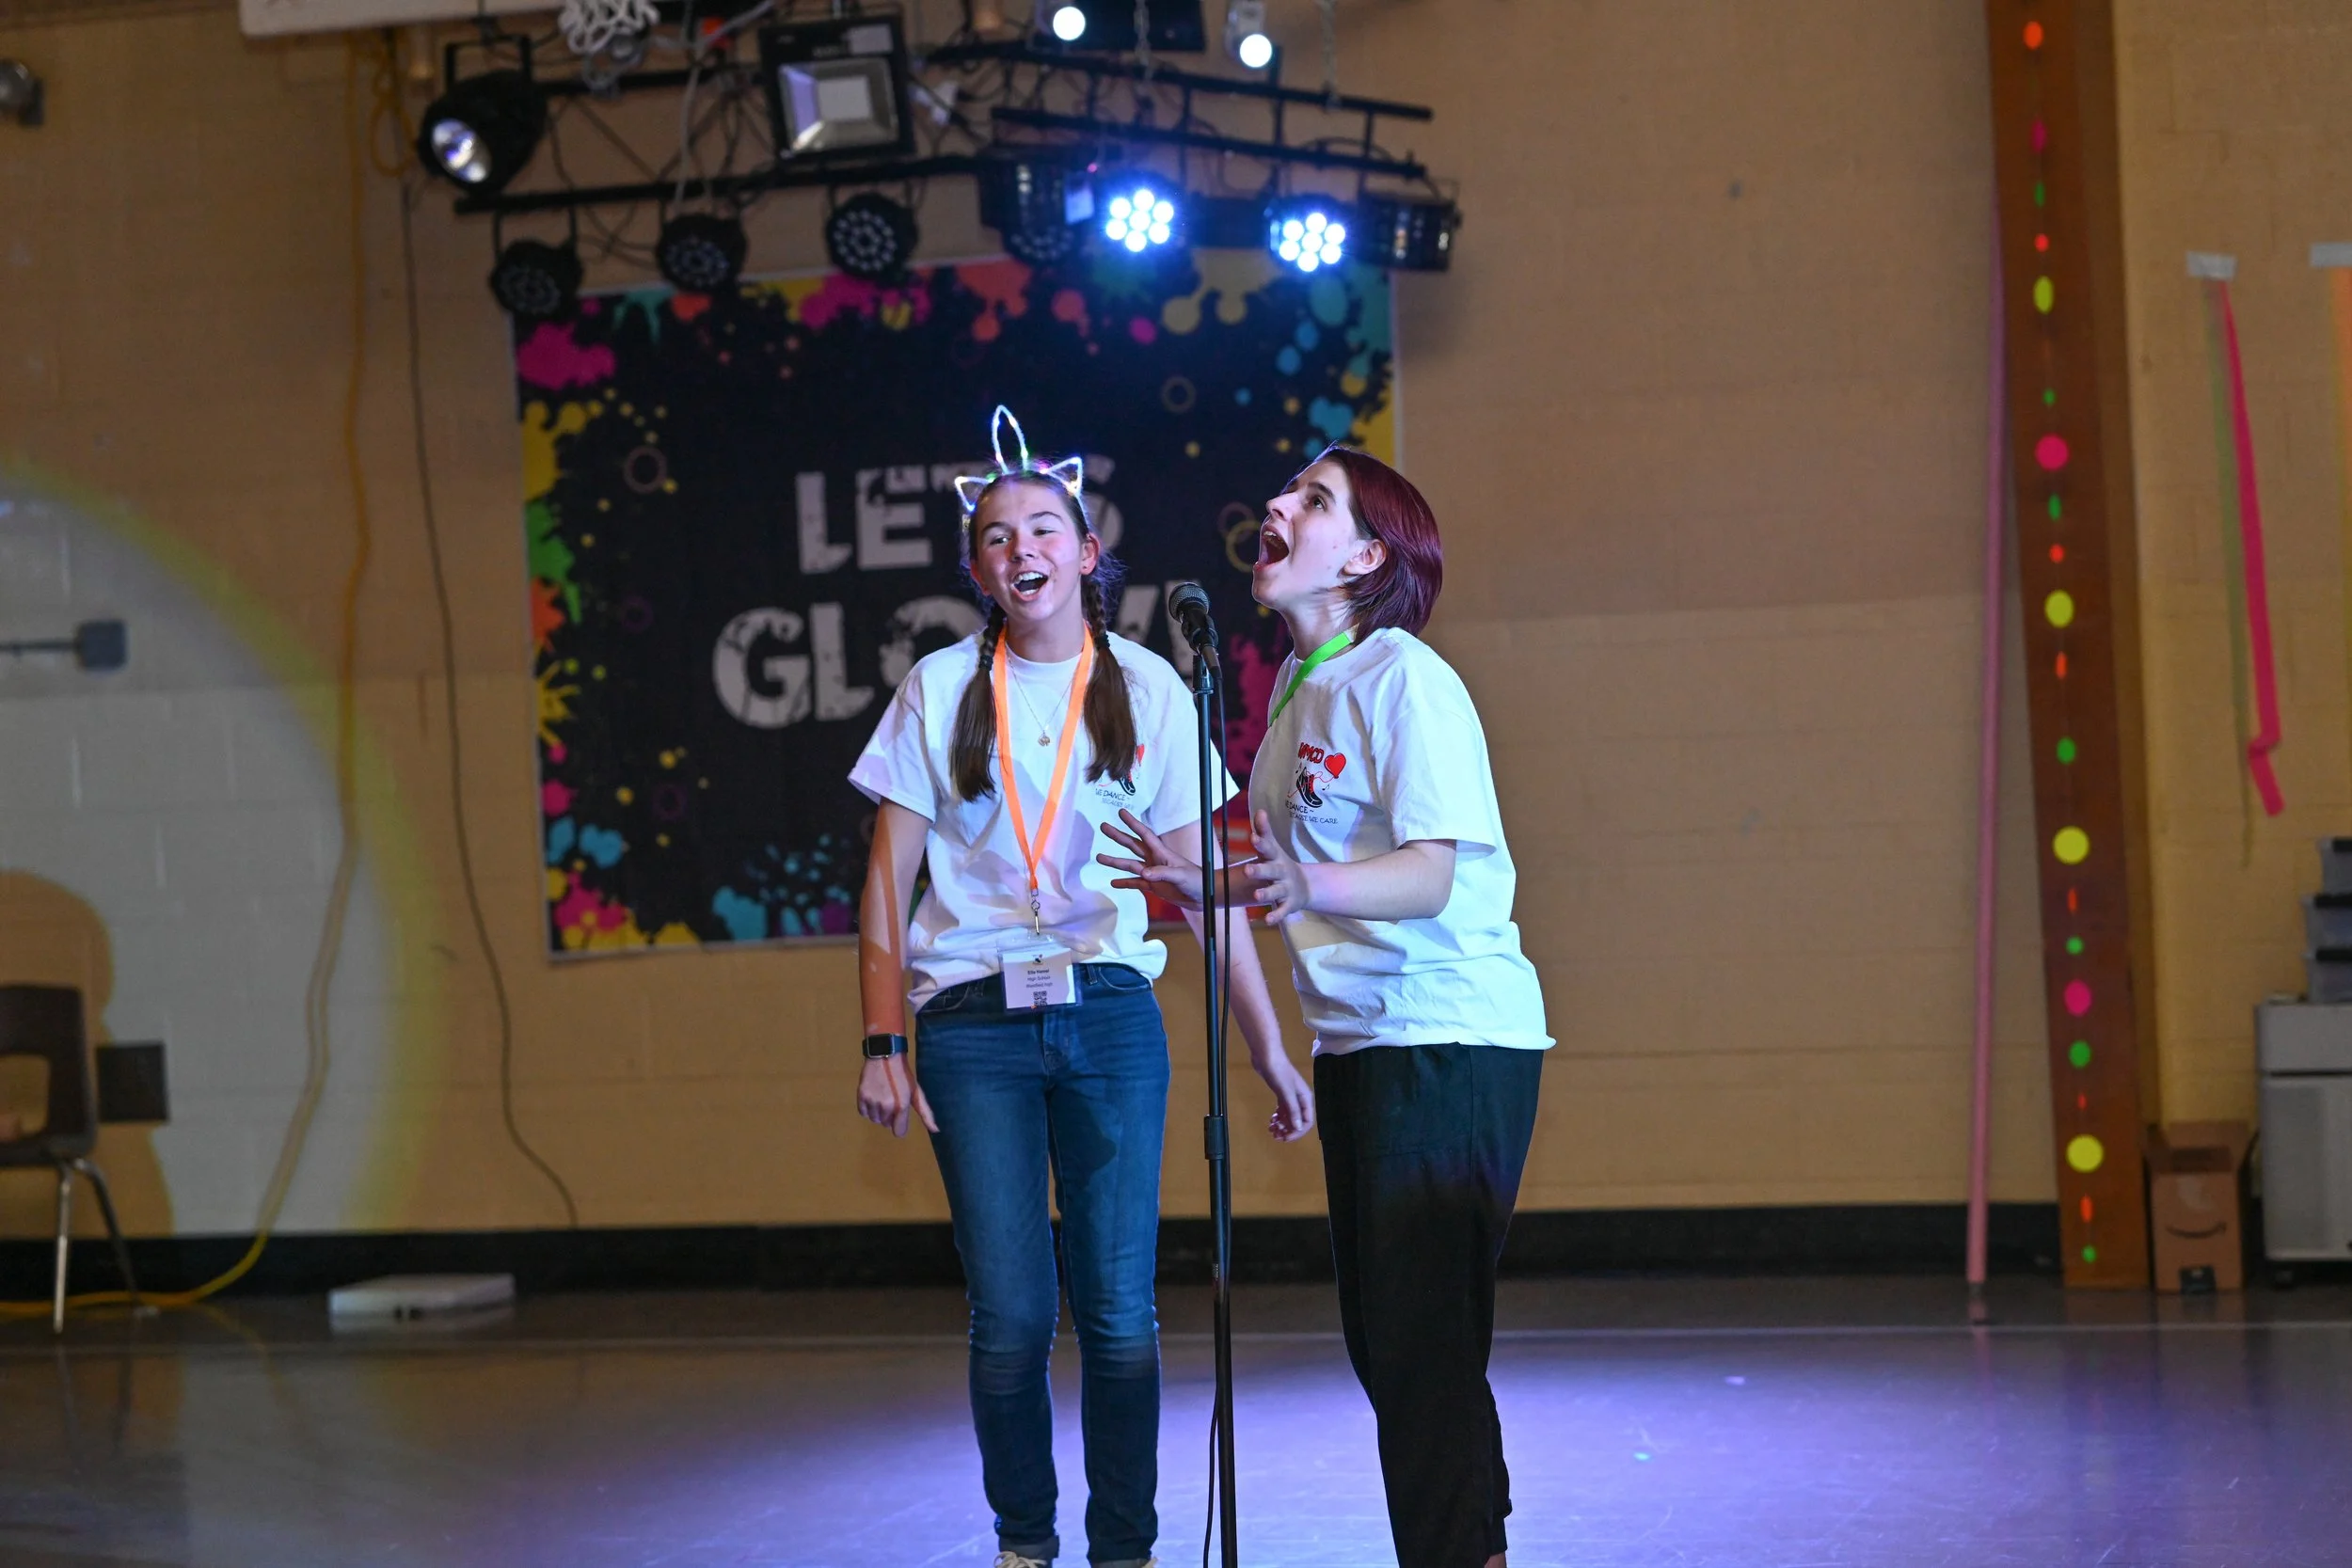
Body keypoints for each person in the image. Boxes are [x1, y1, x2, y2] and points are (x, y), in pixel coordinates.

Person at [850, 408, 1314, 1568]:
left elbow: (1203, 890)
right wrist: (882, 1039)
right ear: (979, 569)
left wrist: (1267, 1044)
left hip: (1108, 1014)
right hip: (972, 1025)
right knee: (1011, 1317)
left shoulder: (1150, 686)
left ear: (1086, 550)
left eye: (1043, 528)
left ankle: (1125, 1548)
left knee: (1117, 1312)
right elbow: (886, 881)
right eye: (997, 536)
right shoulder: (938, 687)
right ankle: (1024, 1540)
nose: (1023, 548)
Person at [1099, 446, 1549, 1568]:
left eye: (1313, 499)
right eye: (1285, 491)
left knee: (1418, 1344)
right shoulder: (1302, 692)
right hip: (1360, 1044)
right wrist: (1203, 879)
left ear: (1363, 556)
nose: (1278, 505)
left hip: (1444, 1035)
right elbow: (1291, 879)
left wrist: (1307, 883)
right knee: (1396, 1346)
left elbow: (1430, 872)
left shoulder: (1404, 677)